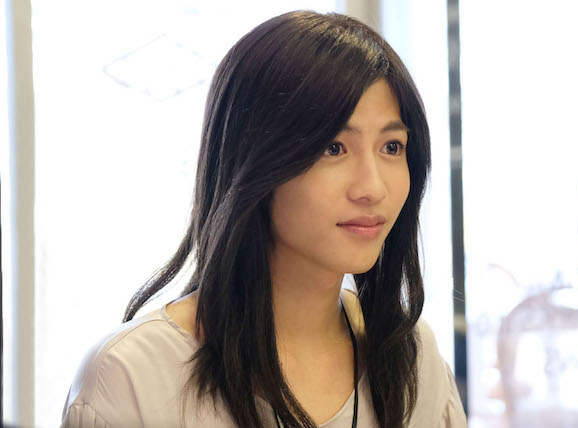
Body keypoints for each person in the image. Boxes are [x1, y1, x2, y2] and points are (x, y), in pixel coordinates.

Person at [61, 10, 466, 428]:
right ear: (252, 160)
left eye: (392, 147)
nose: (373, 188)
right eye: (333, 148)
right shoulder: (134, 375)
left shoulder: (412, 359)